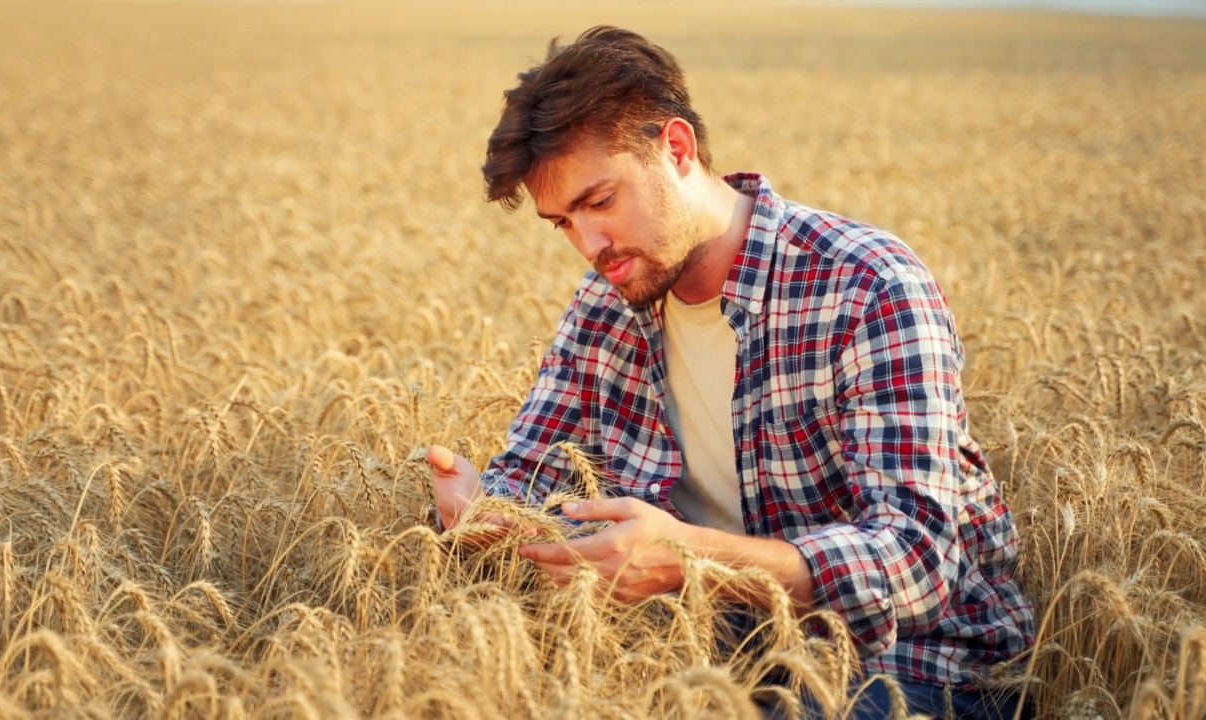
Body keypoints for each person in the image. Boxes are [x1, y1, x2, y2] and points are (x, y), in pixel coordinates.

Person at [425, 26, 1035, 719]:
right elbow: (534, 476)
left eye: (600, 202)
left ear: (676, 150)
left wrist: (692, 557)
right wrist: (480, 509)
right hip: (719, 654)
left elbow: (919, 559)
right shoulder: (605, 307)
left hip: (917, 665)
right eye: (561, 222)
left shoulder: (866, 285)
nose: (588, 244)